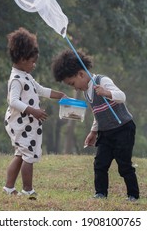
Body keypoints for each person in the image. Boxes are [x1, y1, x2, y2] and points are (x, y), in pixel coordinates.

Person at [51, 49, 139, 201]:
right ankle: (100, 193)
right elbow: (98, 115)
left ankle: (133, 195)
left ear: (81, 74)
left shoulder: (102, 81)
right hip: (105, 132)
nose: (74, 88)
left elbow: (122, 97)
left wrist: (107, 93)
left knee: (124, 165)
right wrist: (93, 132)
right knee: (100, 163)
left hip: (123, 129)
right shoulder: (86, 92)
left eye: (72, 83)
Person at [3, 27, 65, 199]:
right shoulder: (16, 79)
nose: (34, 64)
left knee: (21, 155)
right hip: (20, 124)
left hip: (27, 123)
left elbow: (40, 90)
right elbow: (13, 101)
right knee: (28, 155)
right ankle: (28, 190)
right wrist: (33, 111)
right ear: (22, 59)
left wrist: (58, 95)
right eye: (32, 61)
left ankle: (9, 188)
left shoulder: (25, 75)